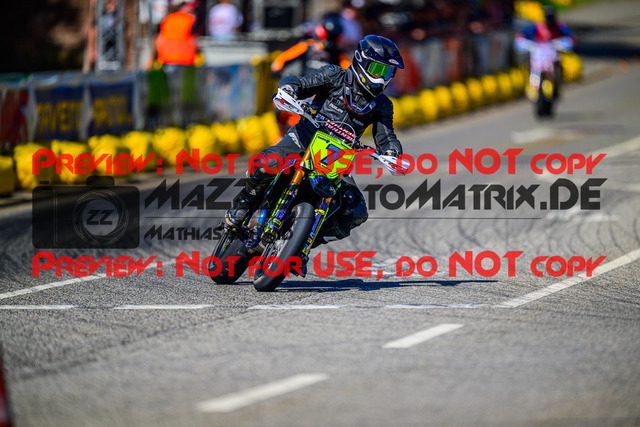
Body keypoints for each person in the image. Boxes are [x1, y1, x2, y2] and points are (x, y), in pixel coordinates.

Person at [226, 35, 404, 253]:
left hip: (337, 158)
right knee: (267, 163)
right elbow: (301, 83)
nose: (382, 78)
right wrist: (289, 90)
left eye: (388, 72)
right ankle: (243, 204)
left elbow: (386, 136)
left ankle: (301, 244)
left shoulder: (383, 105)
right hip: (305, 137)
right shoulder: (334, 75)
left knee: (356, 211)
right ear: (361, 61)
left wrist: (392, 152)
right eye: (378, 69)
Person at [271, 13, 351, 134]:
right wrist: (277, 69)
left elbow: (349, 72)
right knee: (278, 107)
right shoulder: (307, 46)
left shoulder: (338, 54)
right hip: (302, 90)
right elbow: (283, 58)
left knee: (298, 124)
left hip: (321, 99)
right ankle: (280, 134)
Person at [516, 6, 576, 94]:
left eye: (551, 17)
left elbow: (571, 36)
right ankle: (534, 84)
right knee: (532, 63)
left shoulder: (559, 26)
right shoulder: (538, 26)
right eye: (548, 17)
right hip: (539, 53)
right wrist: (523, 40)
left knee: (557, 62)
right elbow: (522, 34)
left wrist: (568, 41)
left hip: (553, 53)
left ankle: (557, 81)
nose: (550, 20)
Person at [153, 0, 200, 68]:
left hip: (166, 58)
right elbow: (195, 41)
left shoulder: (167, 19)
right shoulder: (190, 20)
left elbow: (158, 41)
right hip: (185, 59)